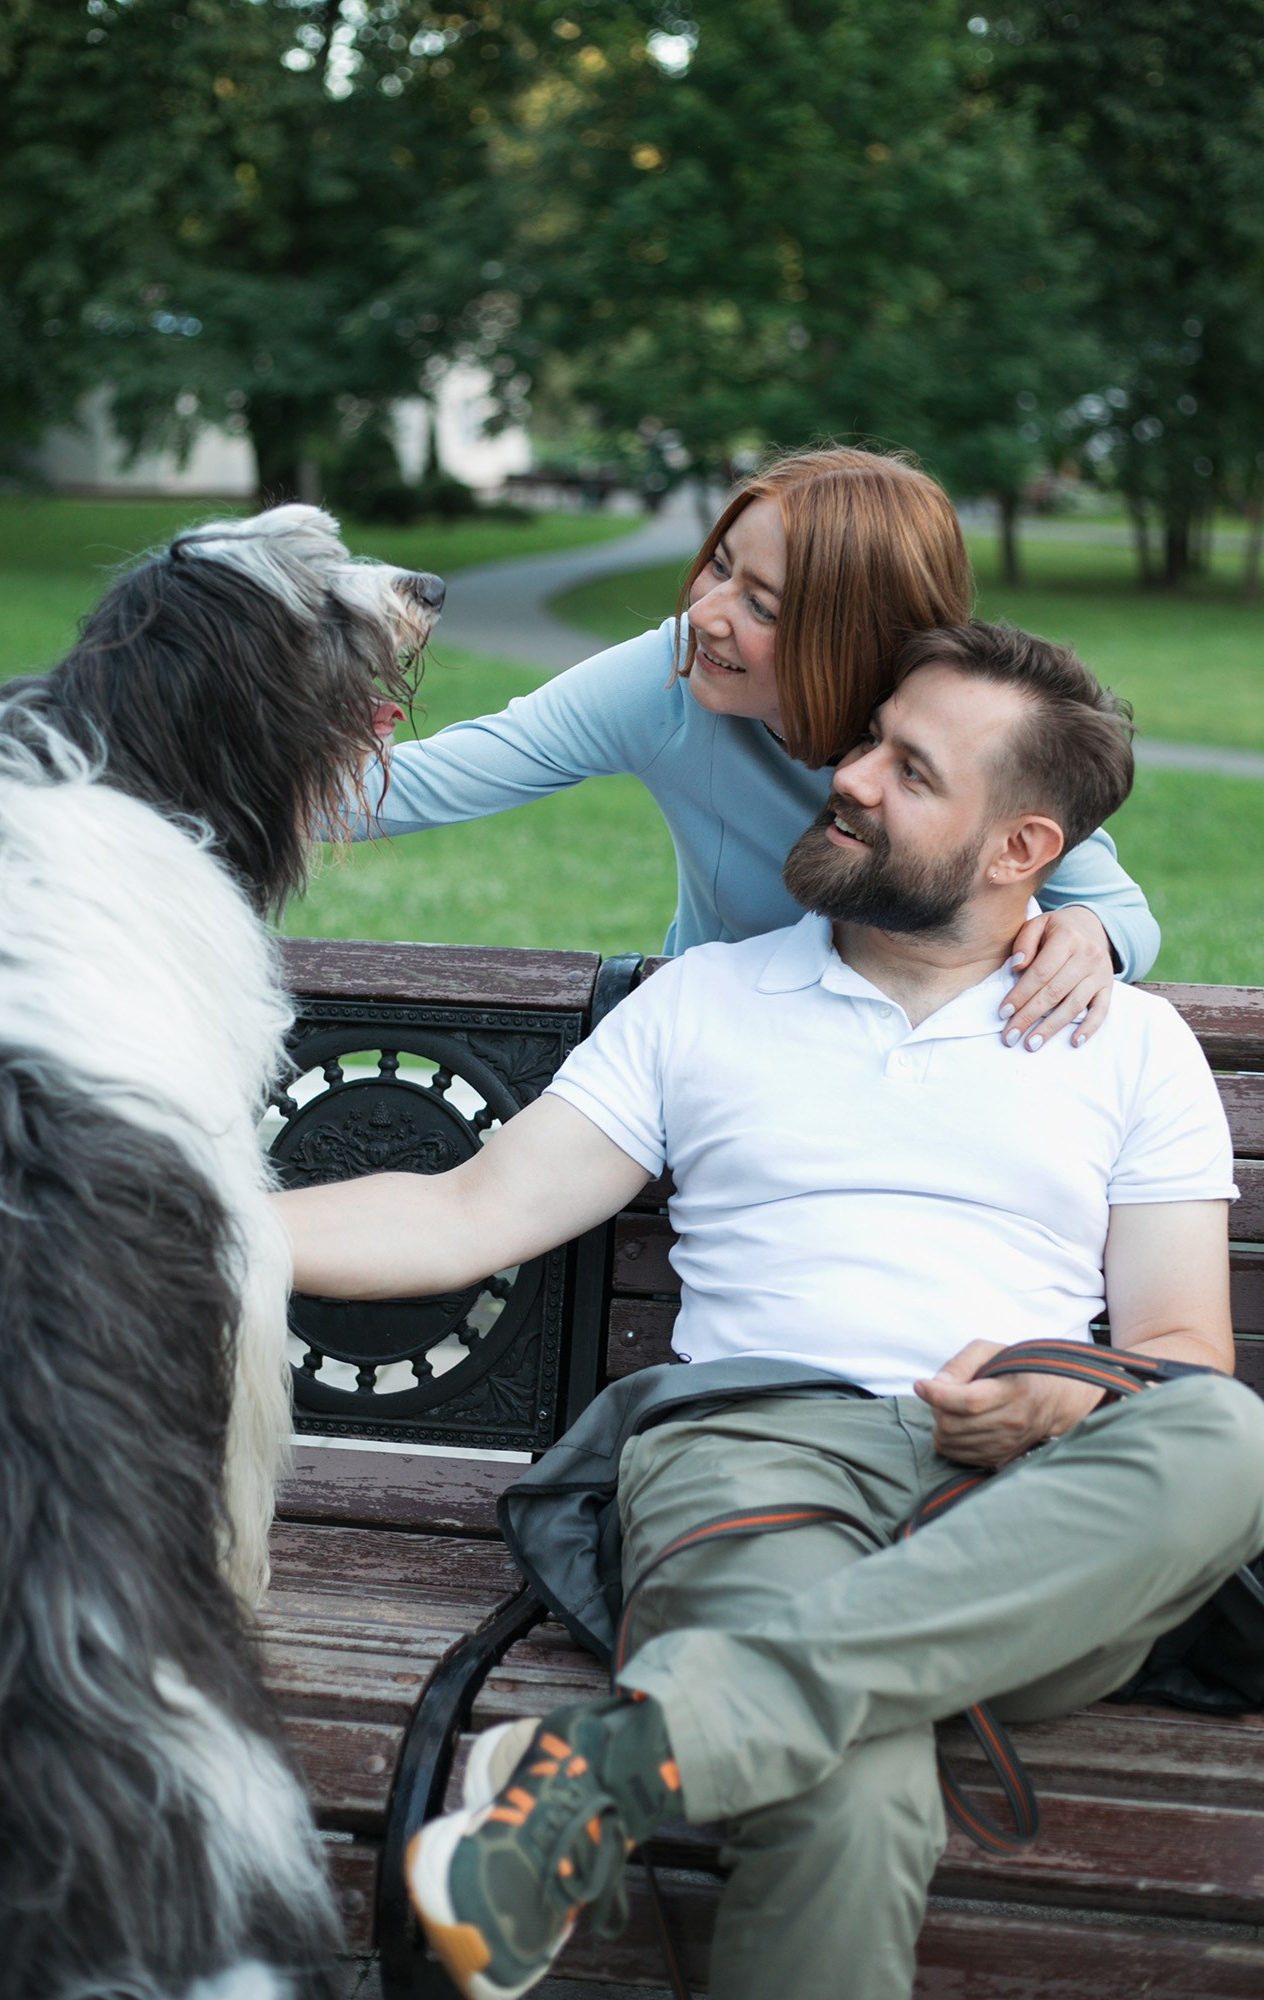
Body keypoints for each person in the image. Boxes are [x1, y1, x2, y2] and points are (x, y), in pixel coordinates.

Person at [277, 621, 1263, 2000]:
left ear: (1019, 850)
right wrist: (185, 1221)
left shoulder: (1133, 1043)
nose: (848, 776)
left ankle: (629, 1756)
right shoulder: (706, 1005)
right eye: (867, 742)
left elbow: (1176, 1353)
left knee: (1225, 1434)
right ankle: (669, 1745)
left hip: (1019, 1509)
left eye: (909, 771)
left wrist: (1062, 1393)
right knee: (851, 1791)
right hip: (757, 1462)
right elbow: (468, 1214)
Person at [357, 445, 1160, 1050]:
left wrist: (1089, 935)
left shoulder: (947, 724)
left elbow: (1118, 911)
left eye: (762, 607)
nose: (707, 613)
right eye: (717, 566)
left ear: (853, 639)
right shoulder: (669, 677)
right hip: (731, 1052)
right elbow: (396, 792)